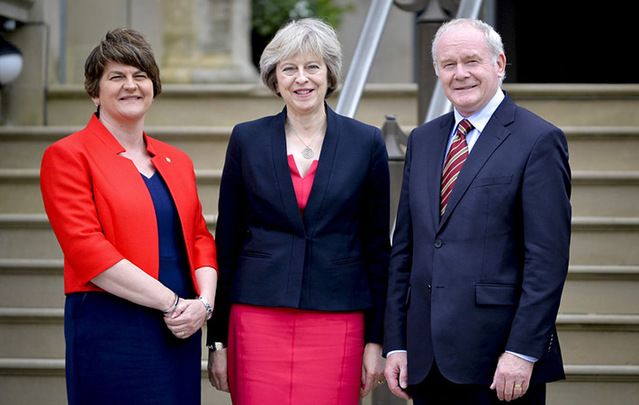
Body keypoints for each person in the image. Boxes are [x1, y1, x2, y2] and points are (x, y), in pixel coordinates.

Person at [383, 18, 571, 405]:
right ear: (437, 71)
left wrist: (522, 351)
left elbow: (546, 260)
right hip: (426, 359)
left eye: (472, 61)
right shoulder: (423, 139)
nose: (460, 74)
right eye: (448, 65)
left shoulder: (538, 140)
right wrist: (396, 343)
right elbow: (406, 249)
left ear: (499, 64)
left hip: (499, 363)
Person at [206, 18, 390, 405]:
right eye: (289, 68)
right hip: (256, 317)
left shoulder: (366, 142)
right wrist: (217, 340)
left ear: (329, 74)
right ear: (275, 78)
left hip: (338, 317)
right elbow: (227, 242)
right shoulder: (247, 138)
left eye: (312, 67)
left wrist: (377, 339)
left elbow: (377, 249)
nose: (301, 79)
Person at [39, 28, 218, 405]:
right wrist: (171, 303)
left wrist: (202, 305)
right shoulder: (69, 155)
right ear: (94, 90)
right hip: (111, 325)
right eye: (116, 76)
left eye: (140, 76)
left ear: (153, 87)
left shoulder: (177, 160)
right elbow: (86, 248)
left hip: (179, 328)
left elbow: (200, 238)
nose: (131, 85)